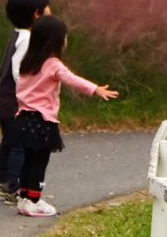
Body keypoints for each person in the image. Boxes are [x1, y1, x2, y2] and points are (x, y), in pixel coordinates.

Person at [14, 14, 119, 217]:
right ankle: (34, 201)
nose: (66, 40)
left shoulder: (28, 62)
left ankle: (23, 198)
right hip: (42, 120)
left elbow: (20, 88)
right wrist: (94, 89)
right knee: (39, 161)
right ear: (56, 40)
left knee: (28, 159)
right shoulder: (52, 64)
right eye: (64, 36)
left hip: (23, 117)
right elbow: (71, 79)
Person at [0, 0, 51, 204]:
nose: (50, 12)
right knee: (20, 146)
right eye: (47, 8)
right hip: (15, 101)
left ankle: (3, 180)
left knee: (10, 141)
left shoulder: (18, 35)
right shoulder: (27, 39)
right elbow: (19, 69)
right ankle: (14, 188)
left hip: (4, 99)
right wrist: (31, 91)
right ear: (36, 14)